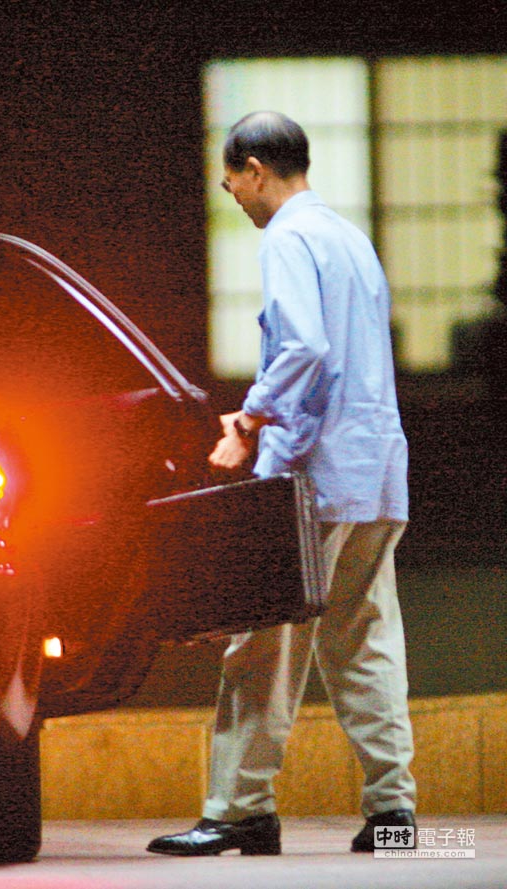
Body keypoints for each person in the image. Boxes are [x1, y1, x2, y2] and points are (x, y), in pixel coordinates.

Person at [147, 111, 416, 857]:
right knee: (365, 638)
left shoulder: (289, 237)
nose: (230, 192)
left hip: (316, 477)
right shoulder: (349, 238)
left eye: (230, 179)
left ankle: (240, 809)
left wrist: (248, 420)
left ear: (256, 169)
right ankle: (393, 811)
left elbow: (303, 345)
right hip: (375, 470)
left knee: (263, 645)